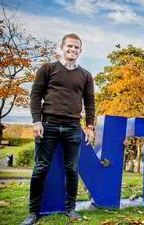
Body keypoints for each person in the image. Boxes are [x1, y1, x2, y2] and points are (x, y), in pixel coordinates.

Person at [21, 34, 95, 225]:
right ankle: (33, 212)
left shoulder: (86, 75)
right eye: (69, 46)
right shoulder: (47, 68)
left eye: (76, 47)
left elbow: (90, 102)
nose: (73, 50)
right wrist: (36, 121)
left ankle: (70, 209)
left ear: (81, 50)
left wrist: (89, 126)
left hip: (72, 127)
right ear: (61, 47)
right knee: (40, 168)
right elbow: (35, 95)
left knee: (72, 169)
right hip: (48, 126)